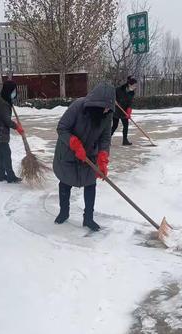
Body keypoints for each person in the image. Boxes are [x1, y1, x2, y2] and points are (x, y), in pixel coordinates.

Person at [53, 83, 115, 232]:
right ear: (96, 104)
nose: (107, 110)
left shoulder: (107, 114)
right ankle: (64, 212)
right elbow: (62, 128)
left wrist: (103, 157)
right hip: (68, 151)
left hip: (89, 154)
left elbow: (105, 138)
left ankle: (88, 218)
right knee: (65, 182)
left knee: (90, 184)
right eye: (104, 107)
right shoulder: (78, 106)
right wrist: (74, 143)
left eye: (109, 108)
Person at [0, 80, 23, 183]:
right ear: (9, 91)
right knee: (6, 153)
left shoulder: (3, 100)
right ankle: (10, 176)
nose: (15, 92)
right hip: (0, 133)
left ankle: (2, 175)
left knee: (1, 154)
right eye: (13, 91)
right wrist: (17, 126)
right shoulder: (3, 103)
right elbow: (6, 120)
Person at [111, 76, 138, 145]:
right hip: (116, 109)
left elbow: (130, 103)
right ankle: (107, 139)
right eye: (134, 85)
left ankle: (125, 140)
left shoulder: (132, 93)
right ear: (130, 85)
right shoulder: (119, 89)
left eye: (135, 85)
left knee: (126, 125)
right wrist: (114, 100)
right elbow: (112, 95)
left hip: (124, 111)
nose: (135, 87)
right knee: (115, 125)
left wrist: (128, 112)